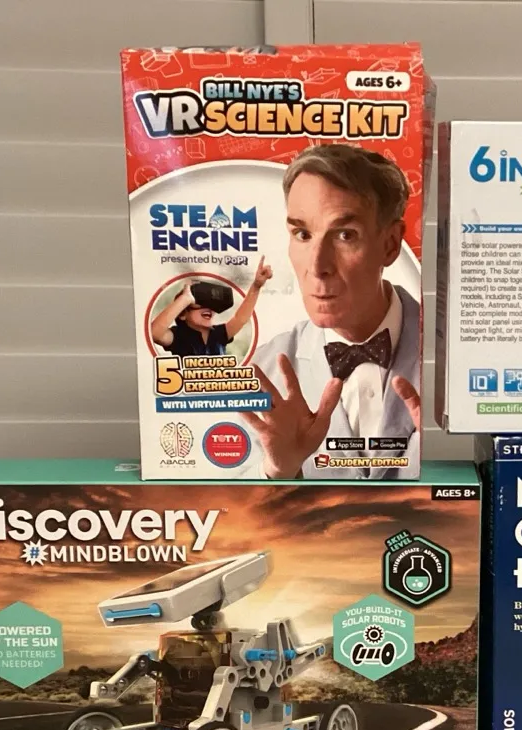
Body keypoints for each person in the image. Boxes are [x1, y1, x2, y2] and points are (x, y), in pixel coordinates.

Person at [241, 144, 422, 479]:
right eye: (302, 234)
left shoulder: (457, 361)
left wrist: (449, 457)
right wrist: (276, 471)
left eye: (345, 235)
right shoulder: (261, 371)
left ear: (390, 244)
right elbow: (218, 497)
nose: (317, 265)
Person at [150, 258, 273, 357]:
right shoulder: (178, 336)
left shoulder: (219, 334)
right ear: (182, 314)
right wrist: (185, 299)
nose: (208, 308)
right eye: (200, 303)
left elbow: (240, 318)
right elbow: (154, 333)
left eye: (211, 304)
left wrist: (256, 286)